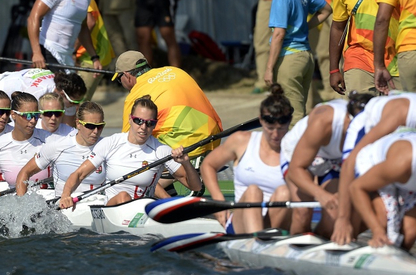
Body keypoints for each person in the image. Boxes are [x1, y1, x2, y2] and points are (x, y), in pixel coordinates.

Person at [334, 85, 416, 245]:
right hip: (369, 131)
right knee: (375, 216)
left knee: (408, 236)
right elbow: (350, 164)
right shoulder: (401, 113)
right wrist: (343, 218)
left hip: (401, 150)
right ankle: (346, 234)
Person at [59, 96, 202, 207]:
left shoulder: (161, 150)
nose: (143, 127)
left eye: (149, 123)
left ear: (154, 124)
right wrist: (66, 195)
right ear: (130, 119)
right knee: (123, 196)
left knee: (126, 198)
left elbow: (195, 186)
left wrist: (186, 163)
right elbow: (79, 174)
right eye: (138, 121)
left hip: (144, 209)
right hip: (112, 208)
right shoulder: (111, 143)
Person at [113, 50, 222, 195]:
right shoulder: (175, 70)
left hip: (184, 145)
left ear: (127, 76)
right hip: (214, 136)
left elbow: (128, 142)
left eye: (119, 80)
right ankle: (171, 191)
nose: (122, 84)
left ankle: (168, 195)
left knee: (136, 167)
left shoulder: (136, 95)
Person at [201, 86, 293, 234]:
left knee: (285, 192)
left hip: (275, 222)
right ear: (261, 120)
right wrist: (218, 201)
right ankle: (254, 243)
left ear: (289, 121)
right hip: (241, 222)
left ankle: (265, 241)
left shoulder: (297, 149)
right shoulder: (242, 141)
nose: (275, 134)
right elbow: (208, 165)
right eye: (270, 128)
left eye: (281, 128)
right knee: (253, 191)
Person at [13, 0, 112, 97]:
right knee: (63, 103)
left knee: (75, 104)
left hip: (88, 58)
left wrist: (70, 52)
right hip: (72, 56)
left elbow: (89, 22)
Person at [280, 92, 373, 235]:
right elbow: (295, 170)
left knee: (335, 214)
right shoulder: (324, 121)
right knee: (303, 212)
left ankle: (319, 242)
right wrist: (320, 194)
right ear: (349, 120)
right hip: (298, 155)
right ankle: (296, 244)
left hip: (332, 159)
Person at [264, 0, 332, 126]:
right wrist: (305, 26)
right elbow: (326, 10)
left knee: (293, 116)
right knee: (299, 109)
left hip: (290, 58)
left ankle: (297, 152)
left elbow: (279, 34)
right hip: (306, 57)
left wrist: (269, 68)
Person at [0, 92, 51, 202]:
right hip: (15, 205)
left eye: (36, 115)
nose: (33, 120)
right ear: (13, 114)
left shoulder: (50, 140)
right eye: (28, 115)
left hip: (49, 202)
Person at [16, 101, 106, 196]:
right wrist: (21, 203)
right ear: (78, 124)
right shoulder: (57, 146)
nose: (96, 131)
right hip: (65, 206)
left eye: (100, 126)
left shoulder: (107, 145)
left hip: (98, 205)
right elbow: (25, 172)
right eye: (90, 126)